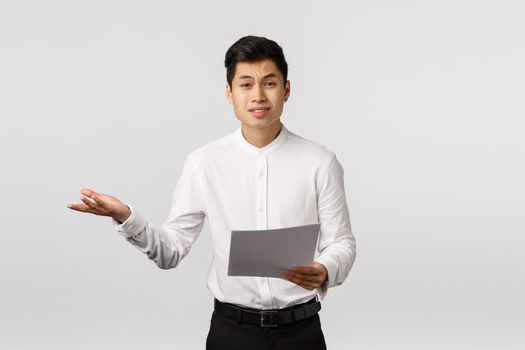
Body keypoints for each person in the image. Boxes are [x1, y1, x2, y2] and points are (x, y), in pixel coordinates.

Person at [67, 35, 357, 349]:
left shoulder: (319, 162)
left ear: (286, 90)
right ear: (230, 93)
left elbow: (341, 242)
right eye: (246, 84)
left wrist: (325, 269)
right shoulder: (204, 163)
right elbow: (170, 250)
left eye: (269, 83)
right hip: (232, 332)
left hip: (301, 332)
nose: (258, 96)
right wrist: (125, 216)